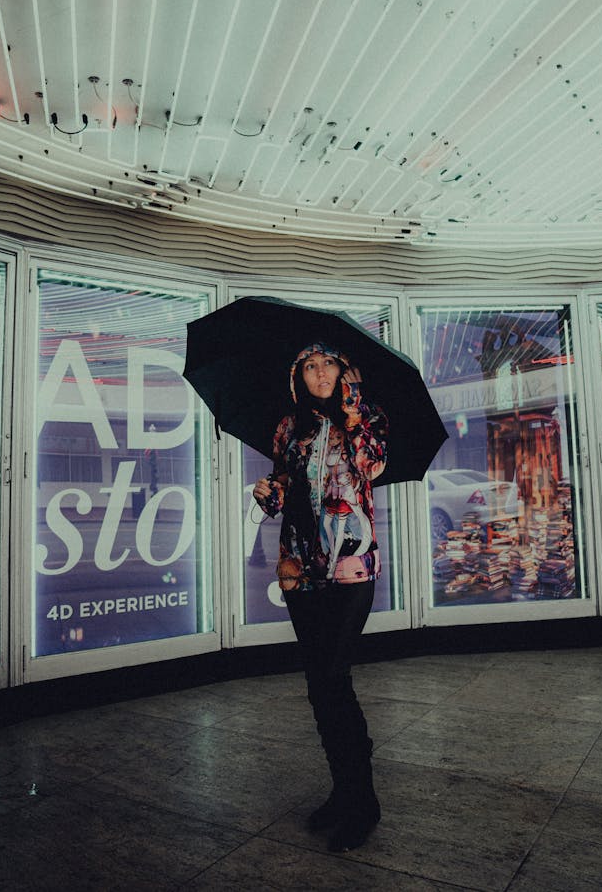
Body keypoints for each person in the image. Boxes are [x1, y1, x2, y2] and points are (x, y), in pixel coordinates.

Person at [253, 342, 387, 853]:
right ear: (299, 376)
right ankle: (342, 790)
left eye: (328, 363)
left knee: (336, 678)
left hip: (351, 565)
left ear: (343, 370)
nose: (319, 373)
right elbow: (285, 482)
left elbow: (371, 468)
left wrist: (352, 413)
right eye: (309, 366)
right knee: (317, 684)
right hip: (298, 567)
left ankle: (363, 800)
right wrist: (271, 493)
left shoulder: (368, 417)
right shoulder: (291, 426)